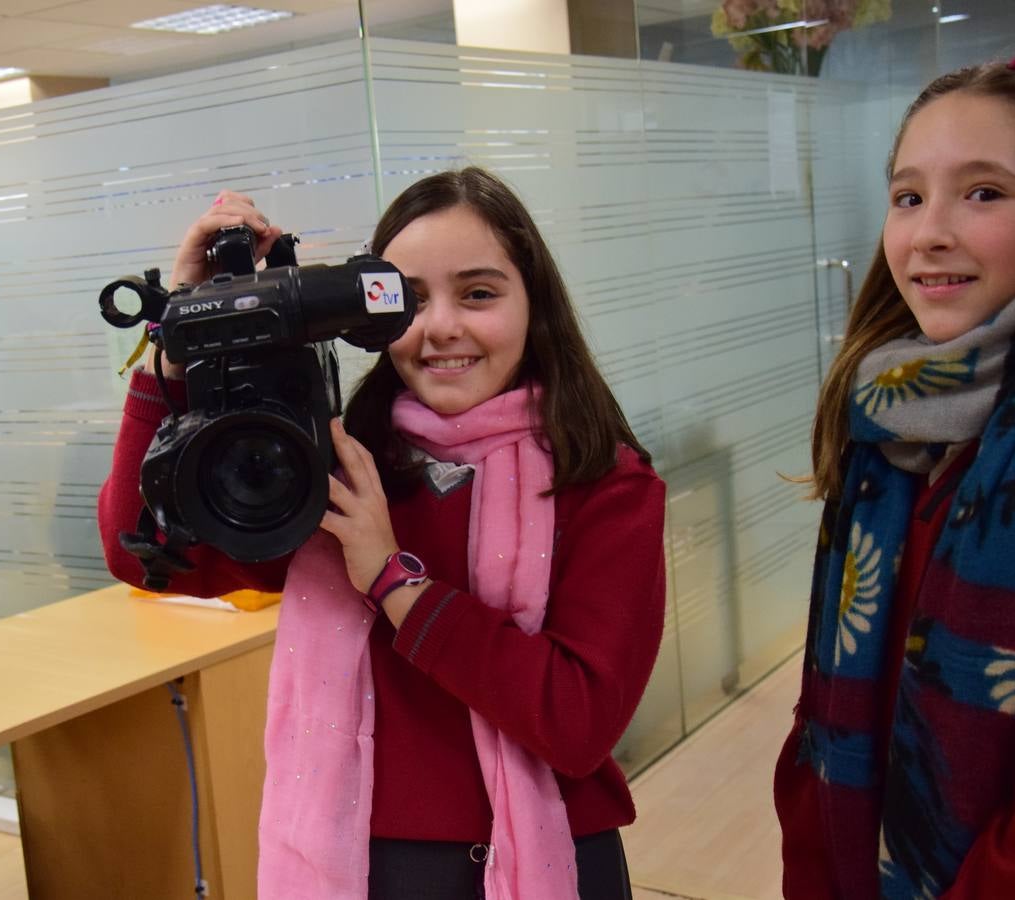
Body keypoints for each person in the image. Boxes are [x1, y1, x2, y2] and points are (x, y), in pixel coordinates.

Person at [98, 167, 666, 899]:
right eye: (413, 299)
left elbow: (577, 721)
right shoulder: (334, 465)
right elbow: (144, 557)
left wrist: (395, 582)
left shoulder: (605, 484)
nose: (441, 328)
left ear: (537, 306)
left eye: (479, 293)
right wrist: (177, 346)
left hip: (550, 854)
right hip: (363, 865)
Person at [775, 35, 1015, 899]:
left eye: (983, 192)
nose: (929, 233)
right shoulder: (887, 418)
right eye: (907, 197)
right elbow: (823, 715)